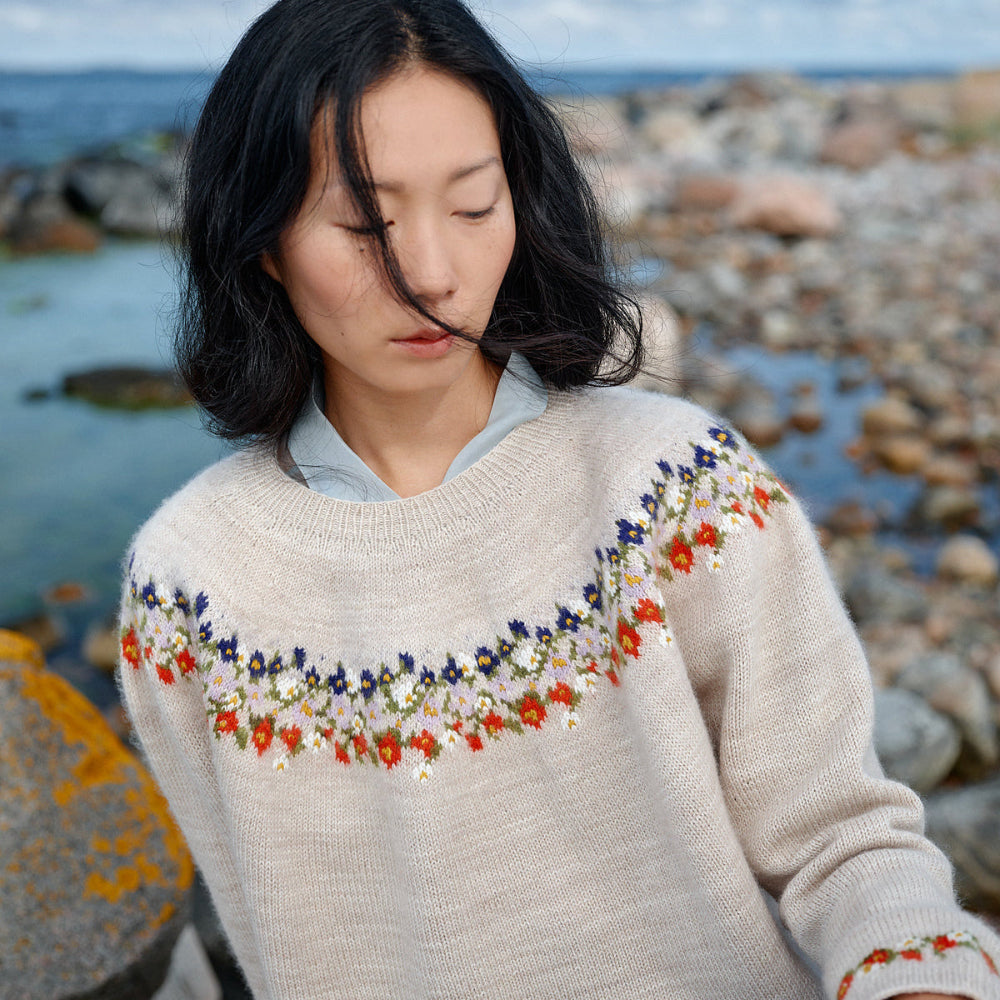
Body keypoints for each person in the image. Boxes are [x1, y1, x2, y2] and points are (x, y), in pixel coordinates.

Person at [117, 1, 1000, 998]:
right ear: (263, 239)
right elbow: (270, 939)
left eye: (473, 205)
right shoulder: (190, 581)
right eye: (364, 223)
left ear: (521, 202)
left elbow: (843, 839)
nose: (434, 276)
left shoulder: (676, 487)